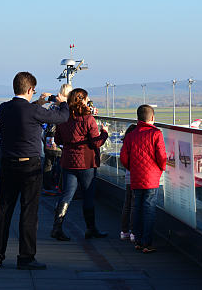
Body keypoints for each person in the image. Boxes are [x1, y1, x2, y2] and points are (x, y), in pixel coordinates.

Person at [0, 72, 69, 270]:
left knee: (4, 211)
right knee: (28, 213)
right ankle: (25, 258)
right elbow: (62, 117)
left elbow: (23, 111)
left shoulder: (3, 108)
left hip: (7, 164)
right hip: (29, 167)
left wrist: (37, 103)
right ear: (29, 90)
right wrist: (62, 102)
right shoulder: (33, 111)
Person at [50, 88, 109, 242]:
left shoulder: (63, 118)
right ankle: (90, 229)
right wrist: (105, 133)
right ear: (82, 100)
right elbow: (96, 142)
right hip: (86, 162)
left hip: (68, 161)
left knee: (67, 194)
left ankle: (57, 227)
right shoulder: (88, 119)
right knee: (88, 196)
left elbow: (58, 141)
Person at [120, 104, 167, 253]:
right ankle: (148, 242)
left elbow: (123, 157)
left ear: (138, 118)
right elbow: (161, 156)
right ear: (152, 118)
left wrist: (132, 168)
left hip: (135, 177)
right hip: (152, 178)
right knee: (149, 209)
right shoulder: (156, 133)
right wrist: (161, 168)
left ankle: (138, 240)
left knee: (138, 208)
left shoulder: (131, 135)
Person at [42, 83, 73, 196]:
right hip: (61, 138)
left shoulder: (53, 106)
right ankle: (59, 186)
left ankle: (46, 186)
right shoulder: (68, 106)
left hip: (50, 138)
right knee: (61, 163)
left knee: (48, 163)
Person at [120, 124, 137, 241]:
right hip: (135, 178)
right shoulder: (135, 144)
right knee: (134, 204)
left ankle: (124, 231)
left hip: (128, 177)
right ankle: (133, 232)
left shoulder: (125, 145)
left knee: (127, 203)